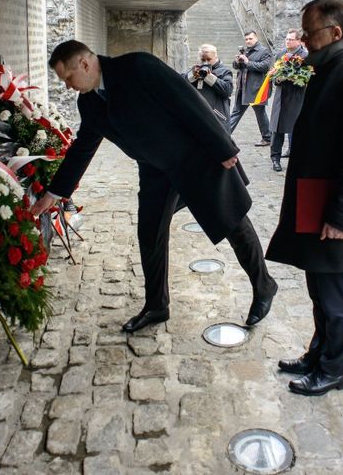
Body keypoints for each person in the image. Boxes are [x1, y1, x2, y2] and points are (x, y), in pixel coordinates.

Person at [33, 41, 277, 332]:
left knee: (233, 224)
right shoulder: (89, 103)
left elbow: (187, 100)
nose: (69, 86)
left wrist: (223, 147)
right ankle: (157, 305)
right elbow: (82, 148)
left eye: (69, 78)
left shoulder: (138, 66)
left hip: (195, 158)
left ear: (85, 64)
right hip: (155, 171)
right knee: (150, 234)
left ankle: (264, 287)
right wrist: (54, 192)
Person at [266, 0, 343, 396]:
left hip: (335, 208)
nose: (302, 39)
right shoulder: (327, 71)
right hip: (316, 199)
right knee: (319, 288)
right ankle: (318, 354)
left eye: (309, 32)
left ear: (335, 33)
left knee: (335, 294)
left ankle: (335, 369)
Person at [268, 30, 309, 172]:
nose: (288, 41)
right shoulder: (280, 55)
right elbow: (272, 75)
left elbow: (307, 76)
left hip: (297, 97)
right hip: (280, 96)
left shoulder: (305, 56)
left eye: (291, 39)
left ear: (298, 41)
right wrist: (277, 79)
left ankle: (298, 159)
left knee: (296, 129)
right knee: (277, 129)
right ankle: (275, 159)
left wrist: (292, 78)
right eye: (286, 39)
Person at [228, 30, 274, 146]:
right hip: (242, 88)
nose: (248, 41)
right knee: (236, 113)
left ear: (256, 38)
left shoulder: (264, 51)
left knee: (260, 114)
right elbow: (237, 67)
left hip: (256, 89)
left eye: (250, 39)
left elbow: (264, 67)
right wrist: (237, 62)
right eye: (246, 39)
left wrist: (247, 62)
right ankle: (224, 135)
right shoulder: (245, 51)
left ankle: (267, 138)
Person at [186, 44, 232, 127]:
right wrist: (192, 76)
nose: (205, 62)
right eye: (203, 60)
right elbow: (181, 82)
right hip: (198, 114)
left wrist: (209, 77)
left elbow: (227, 91)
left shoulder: (225, 71)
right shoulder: (195, 69)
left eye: (209, 59)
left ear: (215, 57)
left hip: (217, 116)